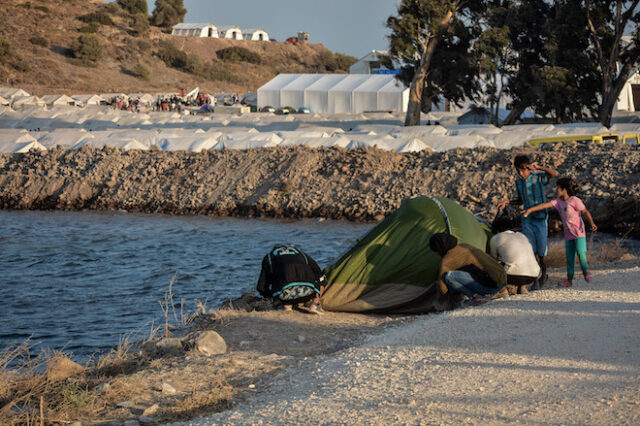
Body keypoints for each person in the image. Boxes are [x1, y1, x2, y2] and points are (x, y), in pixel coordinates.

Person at [497, 155, 559, 289]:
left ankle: (543, 275)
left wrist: (538, 167)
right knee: (531, 250)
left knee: (542, 251)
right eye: (518, 170)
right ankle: (535, 277)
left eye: (523, 170)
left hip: (540, 218)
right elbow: (520, 200)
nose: (521, 173)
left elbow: (554, 174)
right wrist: (508, 202)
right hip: (527, 219)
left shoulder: (538, 178)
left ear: (528, 167)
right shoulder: (519, 182)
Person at [523, 177, 597, 287]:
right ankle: (569, 281)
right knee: (570, 258)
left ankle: (586, 272)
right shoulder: (558, 202)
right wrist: (530, 210)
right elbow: (544, 205)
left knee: (581, 253)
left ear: (564, 189)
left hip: (579, 232)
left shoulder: (574, 200)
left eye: (557, 188)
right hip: (568, 234)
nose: (556, 190)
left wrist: (592, 223)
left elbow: (585, 212)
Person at [430, 233, 507, 307]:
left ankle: (477, 297)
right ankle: (502, 290)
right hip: (503, 280)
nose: (437, 254)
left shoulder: (448, 259)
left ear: (439, 248)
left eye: (436, 251)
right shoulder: (465, 246)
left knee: (449, 276)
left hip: (491, 286)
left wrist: (441, 300)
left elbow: (442, 285)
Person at [257, 245, 326, 313]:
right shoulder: (302, 254)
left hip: (284, 296)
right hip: (309, 293)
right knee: (322, 277)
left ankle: (287, 306)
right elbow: (318, 272)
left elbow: (261, 286)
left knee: (281, 280)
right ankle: (315, 305)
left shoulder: (269, 257)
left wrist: (270, 298)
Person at [490, 215, 541, 295]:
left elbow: (493, 258)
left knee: (492, 264)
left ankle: (503, 291)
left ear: (497, 229)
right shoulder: (521, 235)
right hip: (534, 275)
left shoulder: (497, 237)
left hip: (514, 276)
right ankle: (523, 288)